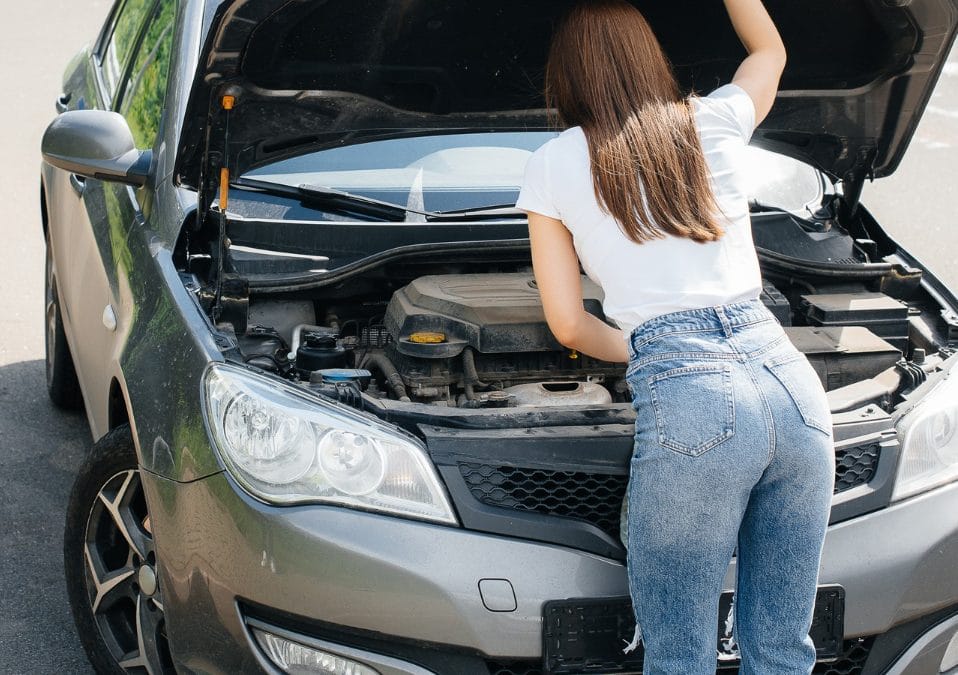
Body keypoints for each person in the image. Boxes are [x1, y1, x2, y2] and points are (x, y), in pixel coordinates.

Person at [516, 1, 835, 674]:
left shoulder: (552, 162)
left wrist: (644, 351)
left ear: (565, 77)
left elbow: (568, 323)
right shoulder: (712, 118)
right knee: (782, 650)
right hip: (791, 383)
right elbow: (770, 54)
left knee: (680, 658)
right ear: (649, 56)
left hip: (692, 400)